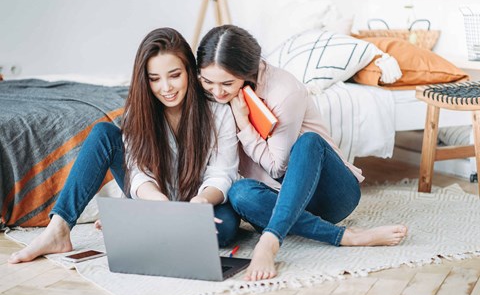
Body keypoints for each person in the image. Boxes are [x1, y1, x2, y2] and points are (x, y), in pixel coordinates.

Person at [9, 27, 240, 264]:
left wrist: (201, 202)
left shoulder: (218, 111)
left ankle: (134, 220)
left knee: (225, 230)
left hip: (199, 200)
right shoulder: (138, 111)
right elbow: (137, 171)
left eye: (174, 75)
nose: (166, 87)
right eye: (154, 79)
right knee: (103, 133)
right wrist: (158, 201)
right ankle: (58, 229)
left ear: (189, 72)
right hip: (152, 197)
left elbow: (222, 173)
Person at [196, 25, 408, 281]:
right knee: (240, 194)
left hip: (329, 193)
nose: (217, 92)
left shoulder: (284, 90)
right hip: (277, 198)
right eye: (208, 82)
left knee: (309, 142)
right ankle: (345, 236)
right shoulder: (213, 95)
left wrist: (243, 124)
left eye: (227, 83)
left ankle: (270, 241)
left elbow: (278, 168)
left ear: (247, 72)